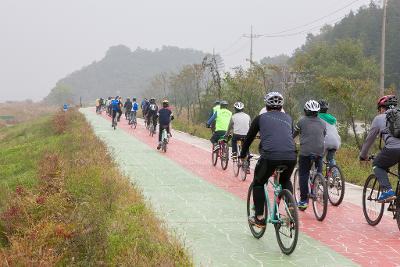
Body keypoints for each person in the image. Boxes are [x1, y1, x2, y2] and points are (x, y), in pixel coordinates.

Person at [239, 92, 297, 228]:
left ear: (266, 105)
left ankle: (259, 218)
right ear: (281, 106)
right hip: (291, 156)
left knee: (258, 183)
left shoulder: (260, 118)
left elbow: (249, 138)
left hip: (270, 156)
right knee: (285, 180)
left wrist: (242, 154)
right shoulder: (288, 118)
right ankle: (291, 206)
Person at [360, 95, 400, 203]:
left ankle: (387, 191)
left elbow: (369, 140)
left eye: (379, 109)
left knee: (377, 164)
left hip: (393, 149)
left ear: (382, 108)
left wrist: (363, 155)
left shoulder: (379, 118)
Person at [293, 100, 326, 210]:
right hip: (319, 152)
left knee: (303, 174)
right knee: (319, 172)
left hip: (305, 152)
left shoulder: (301, 121)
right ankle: (317, 186)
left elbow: (293, 134)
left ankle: (303, 201)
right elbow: (324, 134)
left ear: (305, 111)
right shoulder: (322, 122)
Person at [318, 100, 341, 168]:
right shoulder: (332, 118)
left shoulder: (317, 117)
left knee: (319, 158)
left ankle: (319, 175)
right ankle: (336, 175)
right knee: (330, 158)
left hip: (325, 141)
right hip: (336, 141)